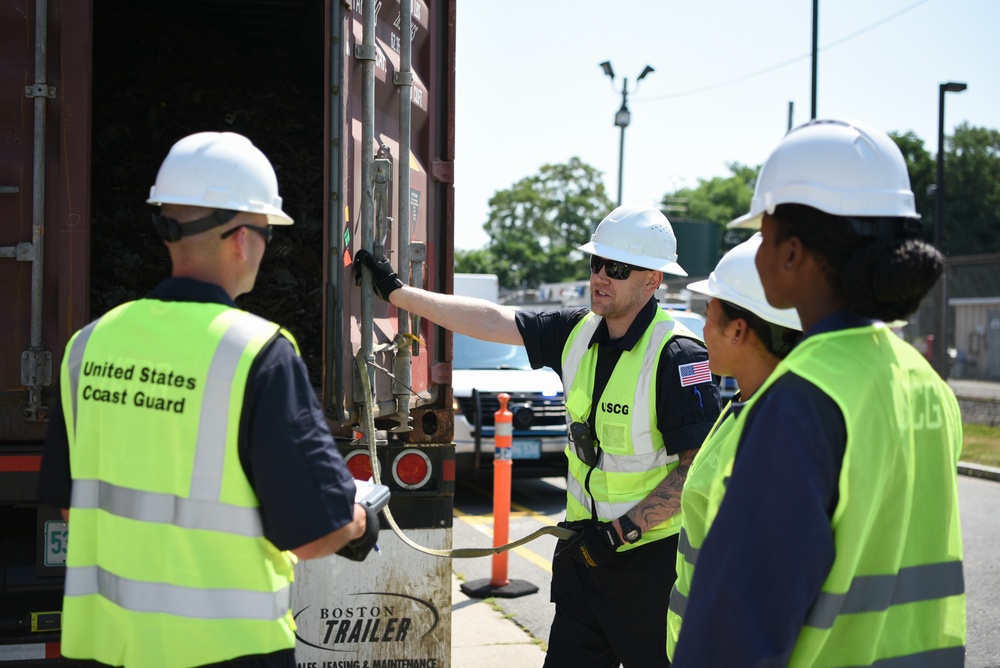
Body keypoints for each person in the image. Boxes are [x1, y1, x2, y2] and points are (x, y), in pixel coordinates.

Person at [37, 132, 380, 668]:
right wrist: (360, 519)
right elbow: (316, 534)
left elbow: (73, 504)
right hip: (228, 653)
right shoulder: (259, 352)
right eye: (269, 234)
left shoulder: (88, 345)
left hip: (107, 647)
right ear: (242, 238)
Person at [355, 205, 722, 667]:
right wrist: (399, 294)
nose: (600, 277)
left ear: (652, 281)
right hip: (583, 556)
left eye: (618, 268)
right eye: (596, 263)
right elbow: (492, 320)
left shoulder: (677, 356)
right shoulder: (577, 331)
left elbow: (696, 469)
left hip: (648, 565)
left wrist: (625, 530)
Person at [671, 119, 966, 667]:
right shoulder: (925, 382)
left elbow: (734, 635)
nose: (755, 252)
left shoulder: (798, 400)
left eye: (762, 233)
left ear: (792, 254)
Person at [664, 233, 802, 661]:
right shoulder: (744, 404)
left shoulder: (777, 431)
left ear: (739, 330)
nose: (700, 328)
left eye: (707, 314)